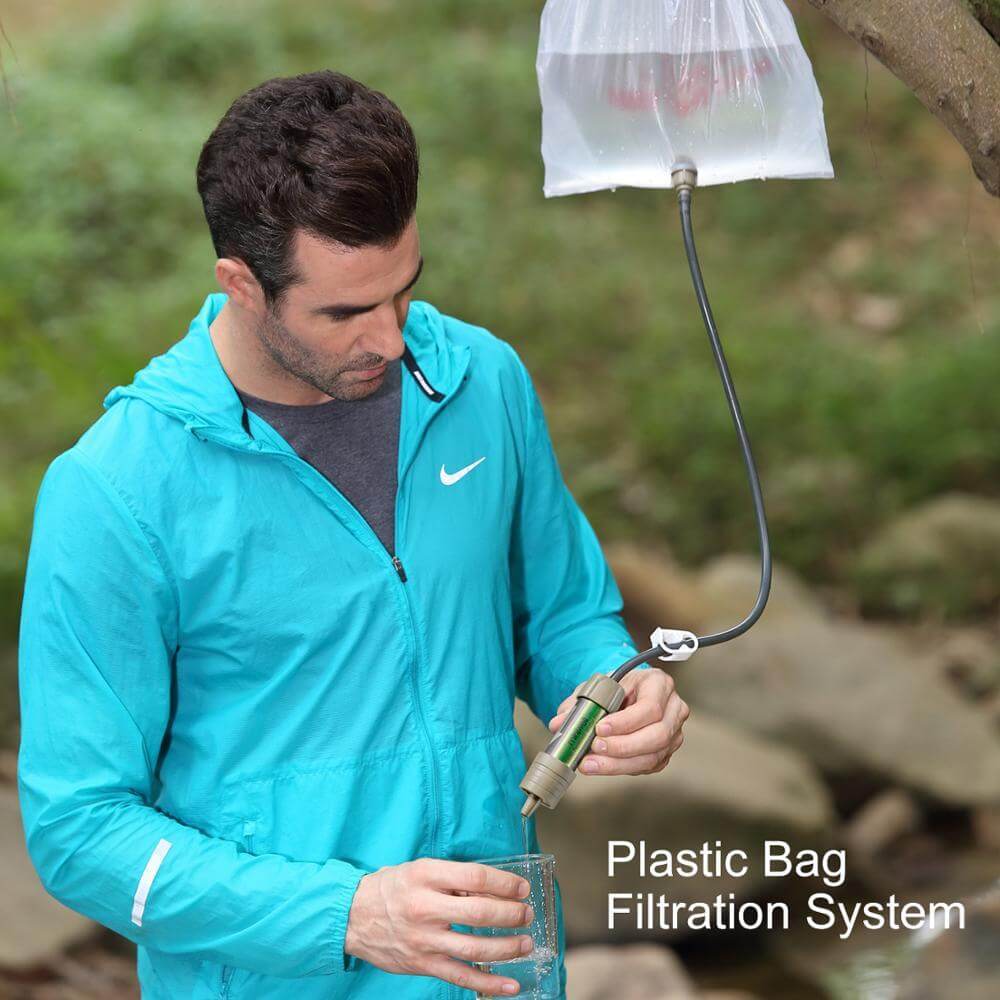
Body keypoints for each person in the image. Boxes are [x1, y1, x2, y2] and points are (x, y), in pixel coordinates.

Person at [17, 70, 689, 999]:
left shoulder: (481, 382)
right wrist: (343, 916)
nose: (393, 338)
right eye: (344, 313)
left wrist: (615, 684)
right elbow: (79, 831)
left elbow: (564, 615)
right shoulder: (116, 491)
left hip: (502, 977)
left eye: (404, 291)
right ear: (242, 284)